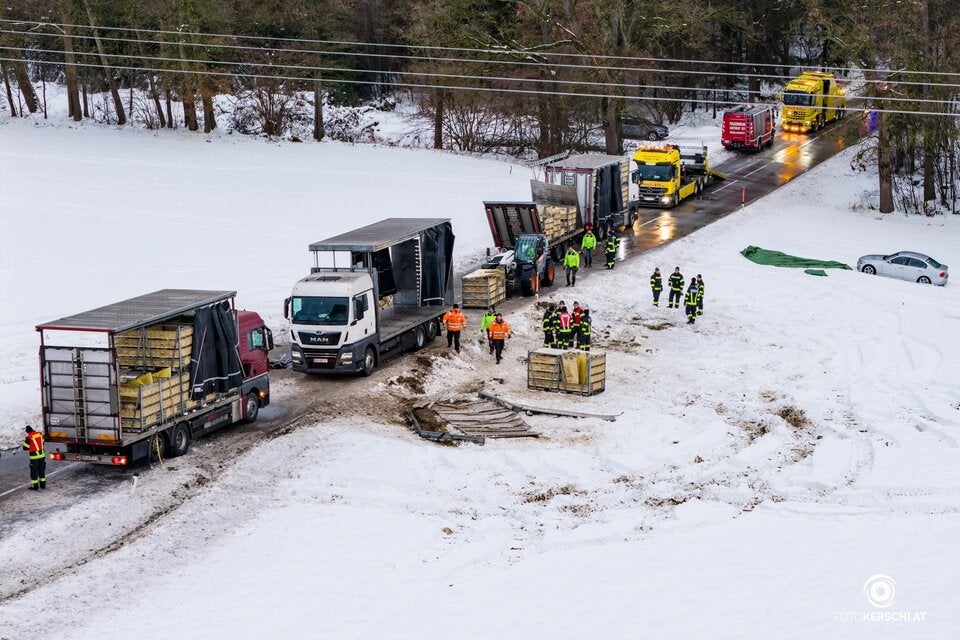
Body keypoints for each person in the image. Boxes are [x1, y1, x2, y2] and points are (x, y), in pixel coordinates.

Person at [22, 426, 46, 490]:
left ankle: (35, 486)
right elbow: (42, 442)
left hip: (34, 457)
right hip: (42, 456)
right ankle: (43, 485)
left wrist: (24, 443)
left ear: (27, 432)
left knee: (34, 472)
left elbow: (25, 448)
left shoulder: (29, 437)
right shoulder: (40, 434)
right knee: (41, 470)